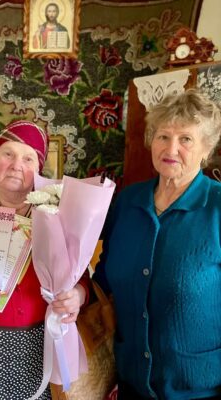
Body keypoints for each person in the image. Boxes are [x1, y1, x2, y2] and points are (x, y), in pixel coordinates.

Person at [0, 120, 89, 400]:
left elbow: (80, 277)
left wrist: (78, 296)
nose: (16, 165)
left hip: (38, 353)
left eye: (28, 158)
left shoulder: (55, 215)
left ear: (39, 169)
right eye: (7, 154)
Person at [93, 89, 221, 400]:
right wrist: (77, 293)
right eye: (163, 136)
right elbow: (104, 276)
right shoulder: (128, 201)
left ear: (206, 148)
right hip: (131, 382)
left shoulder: (216, 207)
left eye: (186, 139)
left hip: (199, 388)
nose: (171, 148)